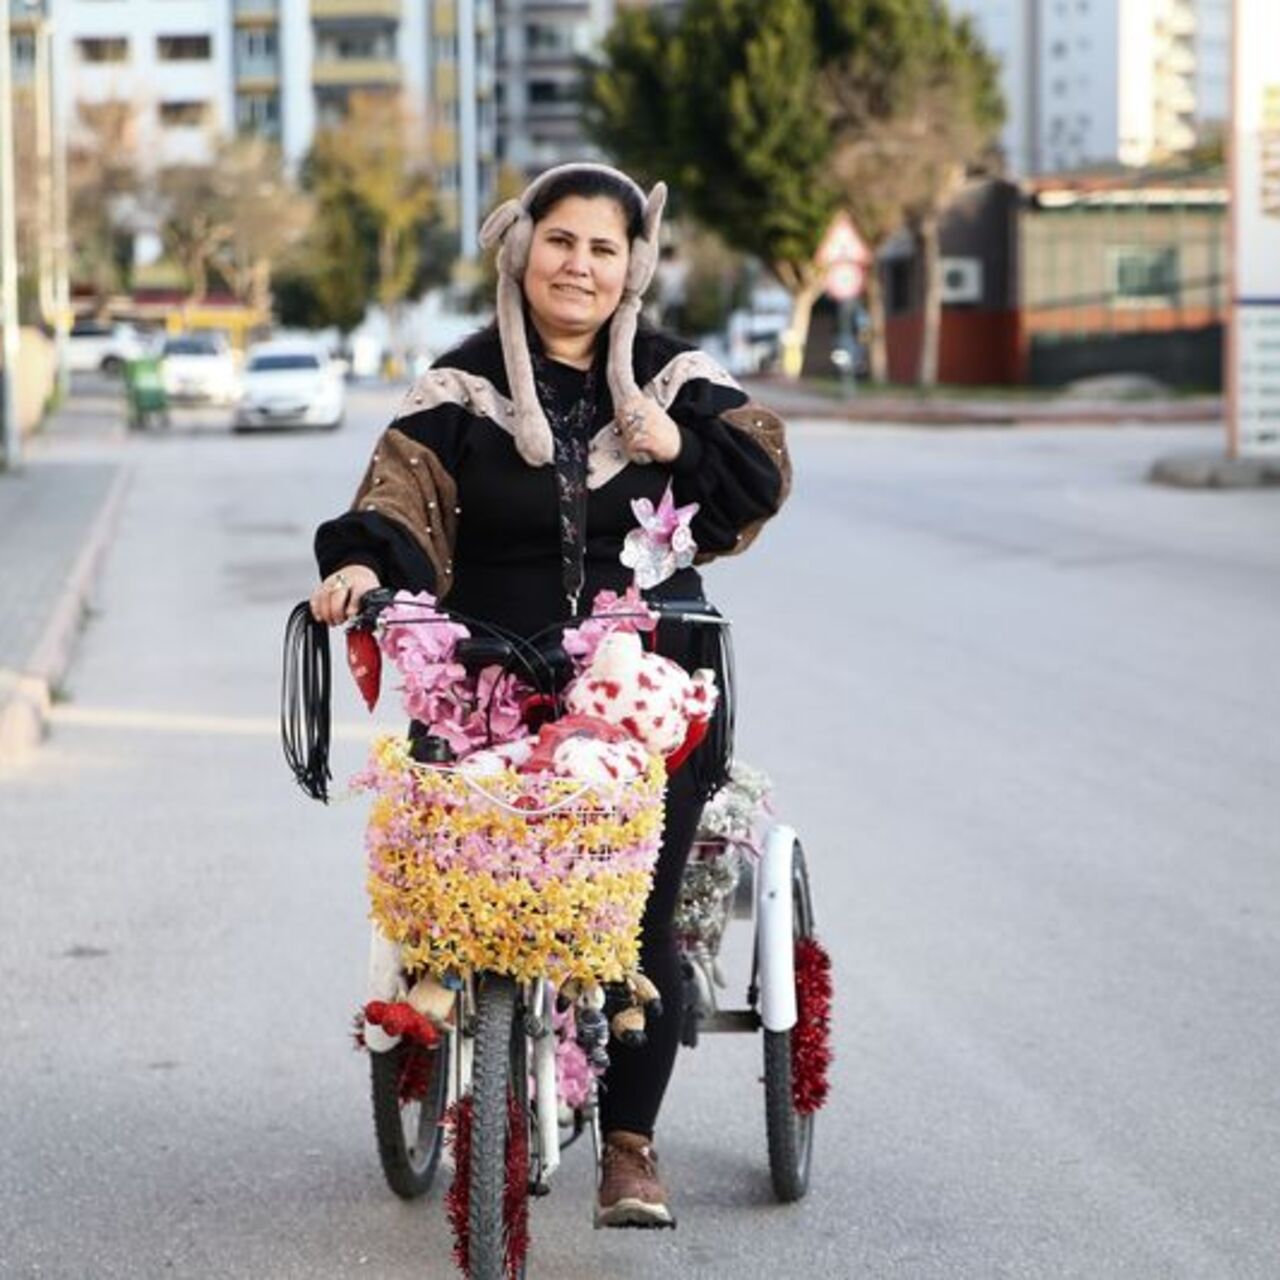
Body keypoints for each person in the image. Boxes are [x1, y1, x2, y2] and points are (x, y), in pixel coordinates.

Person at [310, 162, 790, 1228]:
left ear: (634, 266)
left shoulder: (675, 378)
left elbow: (758, 475)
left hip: (649, 675)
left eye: (603, 247)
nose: (579, 263)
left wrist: (685, 444)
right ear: (520, 247)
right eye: (560, 240)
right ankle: (455, 1030)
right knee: (460, 883)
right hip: (486, 666)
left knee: (636, 915)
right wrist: (358, 568)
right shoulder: (457, 385)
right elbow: (397, 500)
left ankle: (629, 1147)